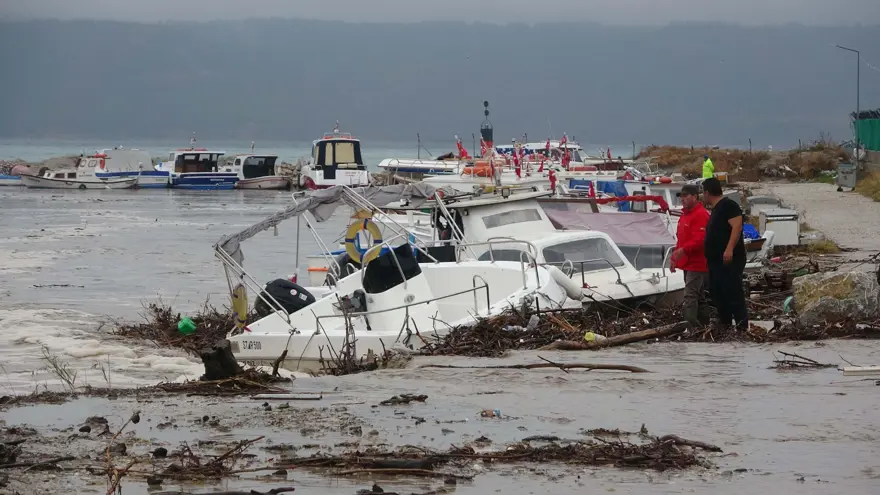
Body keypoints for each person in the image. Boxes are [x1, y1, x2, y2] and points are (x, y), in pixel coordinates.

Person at [702, 177, 748, 330]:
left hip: (729, 259)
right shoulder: (716, 209)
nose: (703, 196)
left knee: (733, 291)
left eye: (703, 192)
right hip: (715, 261)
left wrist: (729, 249)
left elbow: (737, 226)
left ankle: (742, 326)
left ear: (707, 192)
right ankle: (726, 324)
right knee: (718, 293)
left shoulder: (728, 205)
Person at [670, 184, 710, 326]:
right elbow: (681, 239)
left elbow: (701, 239)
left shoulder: (701, 214)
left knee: (690, 295)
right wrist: (675, 257)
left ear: (695, 196)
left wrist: (682, 251)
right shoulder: (685, 215)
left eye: (686, 196)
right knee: (698, 296)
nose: (682, 199)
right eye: (681, 196)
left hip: (697, 263)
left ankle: (690, 324)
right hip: (687, 262)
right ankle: (705, 323)